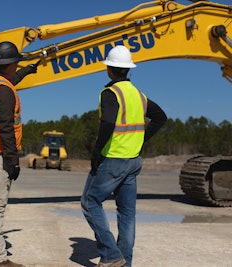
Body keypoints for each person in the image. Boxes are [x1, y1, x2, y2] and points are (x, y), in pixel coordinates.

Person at [81, 45, 167, 267]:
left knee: (90, 202)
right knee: (127, 213)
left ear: (109, 69)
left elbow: (108, 122)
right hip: (133, 161)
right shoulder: (139, 96)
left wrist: (96, 151)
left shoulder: (111, 93)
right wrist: (141, 140)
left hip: (113, 159)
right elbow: (160, 117)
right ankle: (125, 262)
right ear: (128, 70)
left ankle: (111, 254)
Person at [0, 41, 39, 267]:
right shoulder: (3, 91)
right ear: (11, 63)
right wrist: (13, 160)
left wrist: (27, 71)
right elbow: (6, 128)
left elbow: (8, 81)